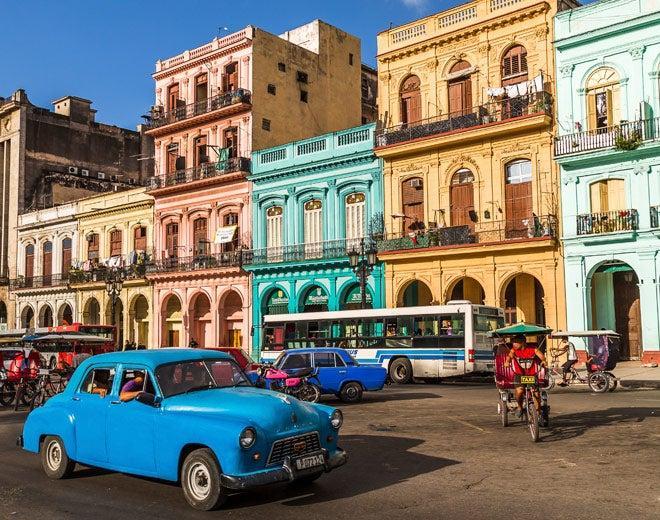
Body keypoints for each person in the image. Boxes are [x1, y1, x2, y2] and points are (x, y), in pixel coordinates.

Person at [505, 334, 547, 417]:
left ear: (523, 343)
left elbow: (541, 355)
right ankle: (520, 407)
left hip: (531, 375)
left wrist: (544, 360)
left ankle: (538, 412)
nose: (514, 344)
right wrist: (507, 362)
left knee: (536, 393)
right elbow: (509, 357)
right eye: (513, 343)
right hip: (519, 374)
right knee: (520, 391)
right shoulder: (513, 350)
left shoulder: (533, 349)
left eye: (516, 343)